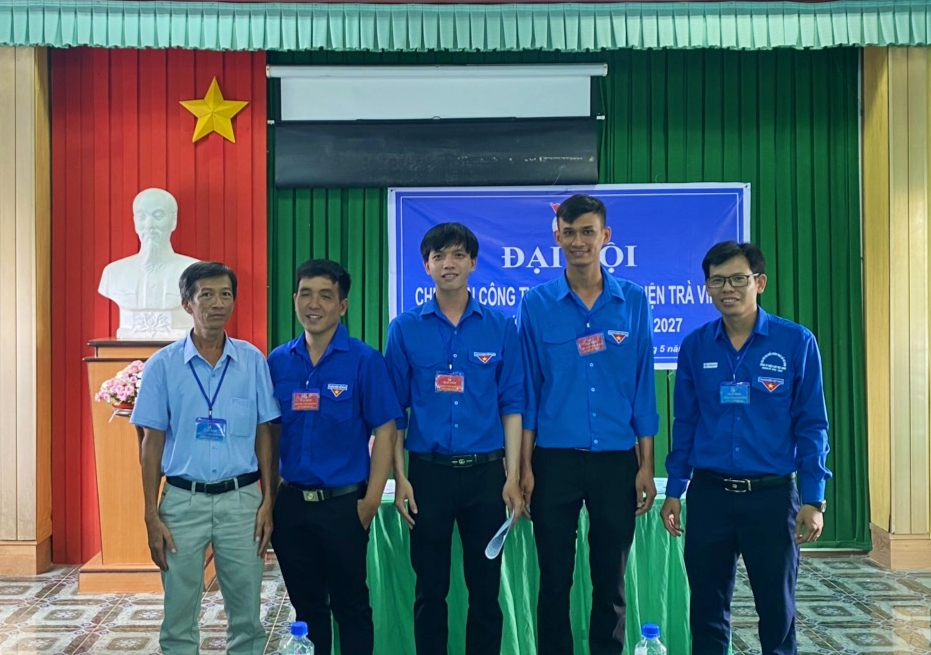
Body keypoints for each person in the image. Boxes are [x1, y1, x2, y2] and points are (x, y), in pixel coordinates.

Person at [660, 241, 831, 655]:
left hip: (771, 498)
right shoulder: (696, 346)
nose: (727, 289)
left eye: (738, 279)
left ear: (760, 282)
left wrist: (814, 499)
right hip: (710, 496)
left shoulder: (795, 342)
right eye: (717, 281)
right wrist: (675, 490)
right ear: (707, 287)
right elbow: (686, 423)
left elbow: (812, 424)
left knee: (776, 610)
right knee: (707, 609)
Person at [518, 194, 659, 655]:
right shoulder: (537, 304)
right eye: (569, 232)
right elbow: (530, 391)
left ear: (605, 236)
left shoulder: (632, 301)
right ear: (557, 237)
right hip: (554, 460)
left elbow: (643, 388)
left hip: (617, 461)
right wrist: (524, 467)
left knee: (610, 582)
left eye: (587, 232)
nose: (578, 241)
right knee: (554, 580)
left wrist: (646, 465)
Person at [385, 223, 524, 655]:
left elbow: (512, 405)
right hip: (428, 476)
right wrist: (400, 478)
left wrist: (512, 476)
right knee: (430, 590)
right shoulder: (405, 329)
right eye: (439, 256)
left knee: (485, 591)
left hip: (486, 475)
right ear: (426, 265)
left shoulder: (501, 327)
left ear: (473, 263)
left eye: (458, 255)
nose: (449, 264)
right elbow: (394, 413)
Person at [131, 261, 279, 655]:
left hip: (242, 502)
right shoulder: (162, 366)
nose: (218, 303)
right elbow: (150, 442)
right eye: (207, 295)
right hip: (182, 502)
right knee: (179, 618)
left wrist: (268, 500)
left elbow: (265, 433)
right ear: (187, 304)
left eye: (226, 294)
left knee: (247, 617)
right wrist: (151, 514)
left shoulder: (252, 361)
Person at [267, 259, 401, 655]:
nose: (314, 304)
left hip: (344, 505)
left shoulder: (364, 360)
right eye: (306, 294)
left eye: (326, 296)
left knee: (351, 608)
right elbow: (269, 432)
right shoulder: (278, 361)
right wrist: (271, 496)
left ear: (342, 306)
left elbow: (386, 430)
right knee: (307, 609)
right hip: (292, 505)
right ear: (294, 299)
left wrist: (371, 501)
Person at [98, 188, 200, 339]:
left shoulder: (195, 272)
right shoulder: (113, 273)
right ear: (135, 222)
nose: (149, 225)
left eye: (158, 216)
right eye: (142, 217)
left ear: (173, 221)